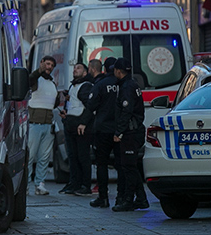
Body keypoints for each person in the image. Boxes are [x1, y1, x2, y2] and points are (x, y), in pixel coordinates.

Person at [111, 58, 149, 212]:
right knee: (130, 166)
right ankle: (141, 199)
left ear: (118, 71)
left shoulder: (127, 87)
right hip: (133, 130)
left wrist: (119, 132)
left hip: (130, 132)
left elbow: (126, 111)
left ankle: (129, 200)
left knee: (128, 167)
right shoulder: (131, 84)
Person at [87, 58, 121, 208]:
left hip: (102, 129)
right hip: (120, 129)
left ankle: (103, 197)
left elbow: (91, 104)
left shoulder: (100, 84)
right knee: (122, 165)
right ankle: (122, 197)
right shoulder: (124, 84)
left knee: (102, 164)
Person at [59, 62, 94, 196]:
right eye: (74, 68)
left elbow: (89, 107)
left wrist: (83, 123)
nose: (75, 70)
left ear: (85, 73)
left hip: (80, 127)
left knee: (83, 156)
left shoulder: (86, 87)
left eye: (78, 68)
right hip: (71, 125)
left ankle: (85, 185)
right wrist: (66, 115)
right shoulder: (74, 86)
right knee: (72, 157)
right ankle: (74, 184)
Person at [27, 55, 60, 196]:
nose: (49, 67)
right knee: (30, 156)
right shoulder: (35, 79)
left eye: (52, 65)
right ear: (41, 63)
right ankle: (26, 184)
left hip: (48, 125)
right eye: (47, 64)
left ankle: (40, 184)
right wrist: (38, 71)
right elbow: (29, 80)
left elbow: (54, 103)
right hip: (34, 124)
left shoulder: (52, 83)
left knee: (44, 157)